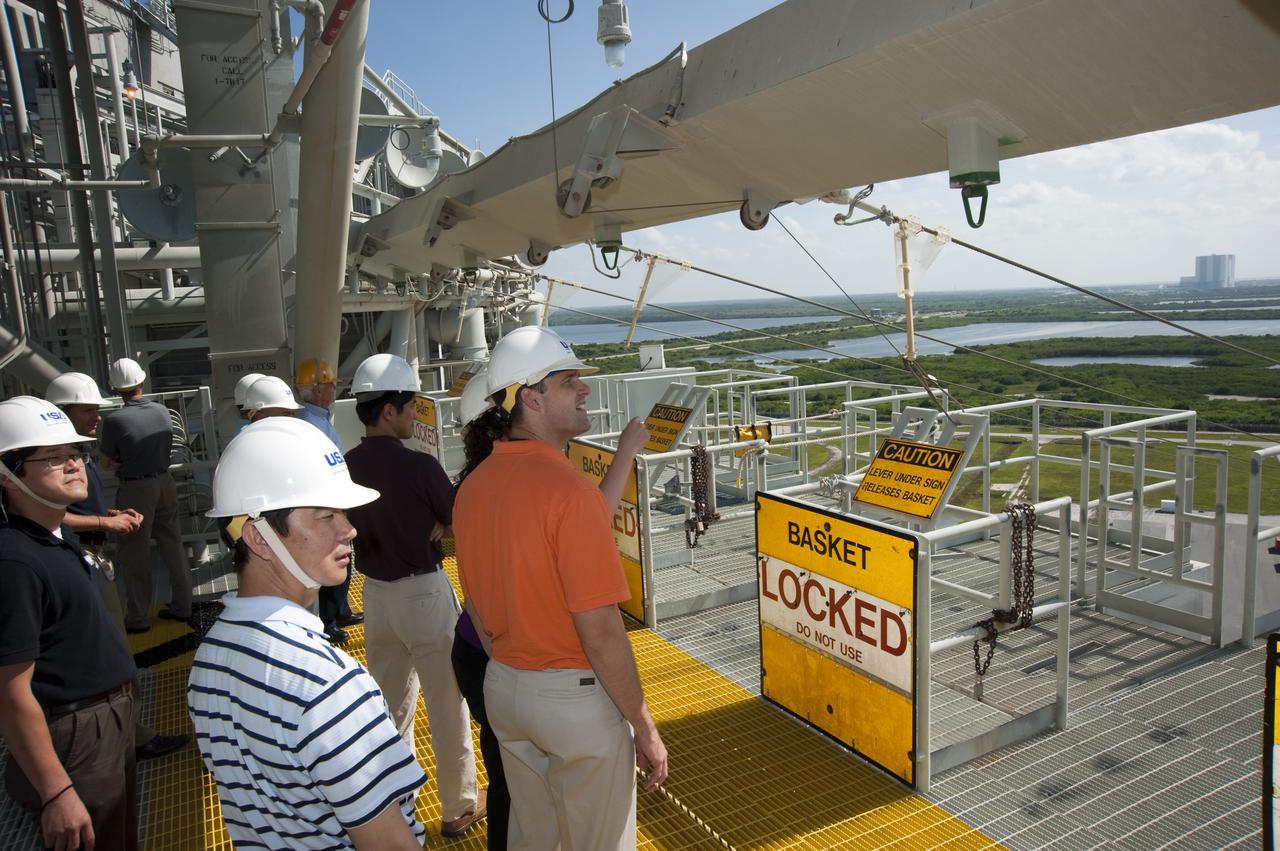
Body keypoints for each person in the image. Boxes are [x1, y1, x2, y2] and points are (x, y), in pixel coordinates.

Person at [454, 326, 668, 851]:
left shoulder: (473, 487)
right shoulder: (567, 492)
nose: (585, 389)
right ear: (531, 398)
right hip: (571, 702)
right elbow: (599, 631)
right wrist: (642, 723)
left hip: (505, 688)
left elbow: (476, 606)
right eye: (570, 380)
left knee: (535, 839)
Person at [188, 417, 426, 850]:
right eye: (325, 516)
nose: (349, 529)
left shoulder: (209, 657)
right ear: (259, 538)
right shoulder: (326, 682)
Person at [345, 353, 484, 838]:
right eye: (409, 407)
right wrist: (442, 523)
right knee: (448, 706)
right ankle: (458, 807)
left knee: (390, 709)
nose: (413, 415)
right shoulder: (420, 467)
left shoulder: (345, 466)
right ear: (389, 411)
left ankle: (397, 805)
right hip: (424, 596)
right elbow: (460, 520)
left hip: (376, 600)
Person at [0, 396, 141, 851]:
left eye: (75, 453)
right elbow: (9, 690)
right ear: (7, 475)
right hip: (78, 737)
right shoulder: (15, 560)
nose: (74, 465)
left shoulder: (53, 536)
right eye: (53, 457)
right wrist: (57, 791)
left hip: (108, 720)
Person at [45, 372, 189, 762]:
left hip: (117, 513)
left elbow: (68, 507)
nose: (96, 417)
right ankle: (129, 736)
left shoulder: (72, 450)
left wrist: (106, 514)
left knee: (136, 562)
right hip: (89, 549)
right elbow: (48, 514)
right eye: (88, 410)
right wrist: (104, 522)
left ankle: (139, 617)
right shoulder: (57, 458)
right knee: (113, 644)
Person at [98, 357, 192, 634]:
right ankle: (183, 605)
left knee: (135, 553)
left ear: (116, 389)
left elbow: (106, 461)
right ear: (141, 382)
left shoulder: (114, 420)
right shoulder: (162, 411)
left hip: (136, 488)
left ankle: (138, 618)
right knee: (172, 545)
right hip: (165, 482)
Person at [296, 358, 364, 641]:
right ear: (316, 390)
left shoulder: (316, 419)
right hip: (327, 505)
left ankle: (341, 611)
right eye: (329, 383)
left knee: (342, 559)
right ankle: (328, 622)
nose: (335, 387)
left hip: (331, 502)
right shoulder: (313, 423)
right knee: (333, 558)